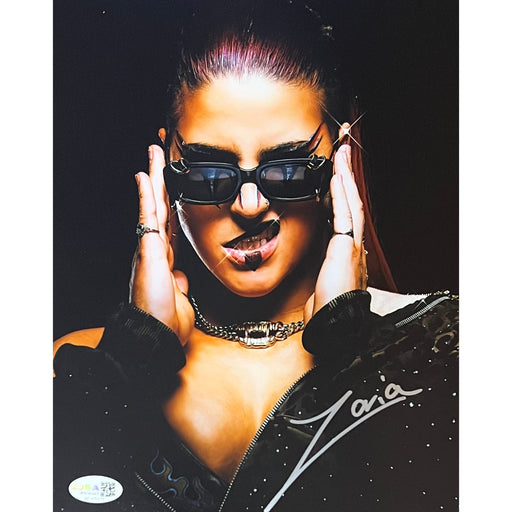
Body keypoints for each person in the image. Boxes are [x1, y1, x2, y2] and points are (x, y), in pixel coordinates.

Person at [53, 1, 458, 511]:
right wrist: (134, 356)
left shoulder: (447, 346)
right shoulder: (84, 369)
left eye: (288, 169)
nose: (249, 206)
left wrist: (355, 354)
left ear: (340, 158)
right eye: (209, 172)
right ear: (166, 164)